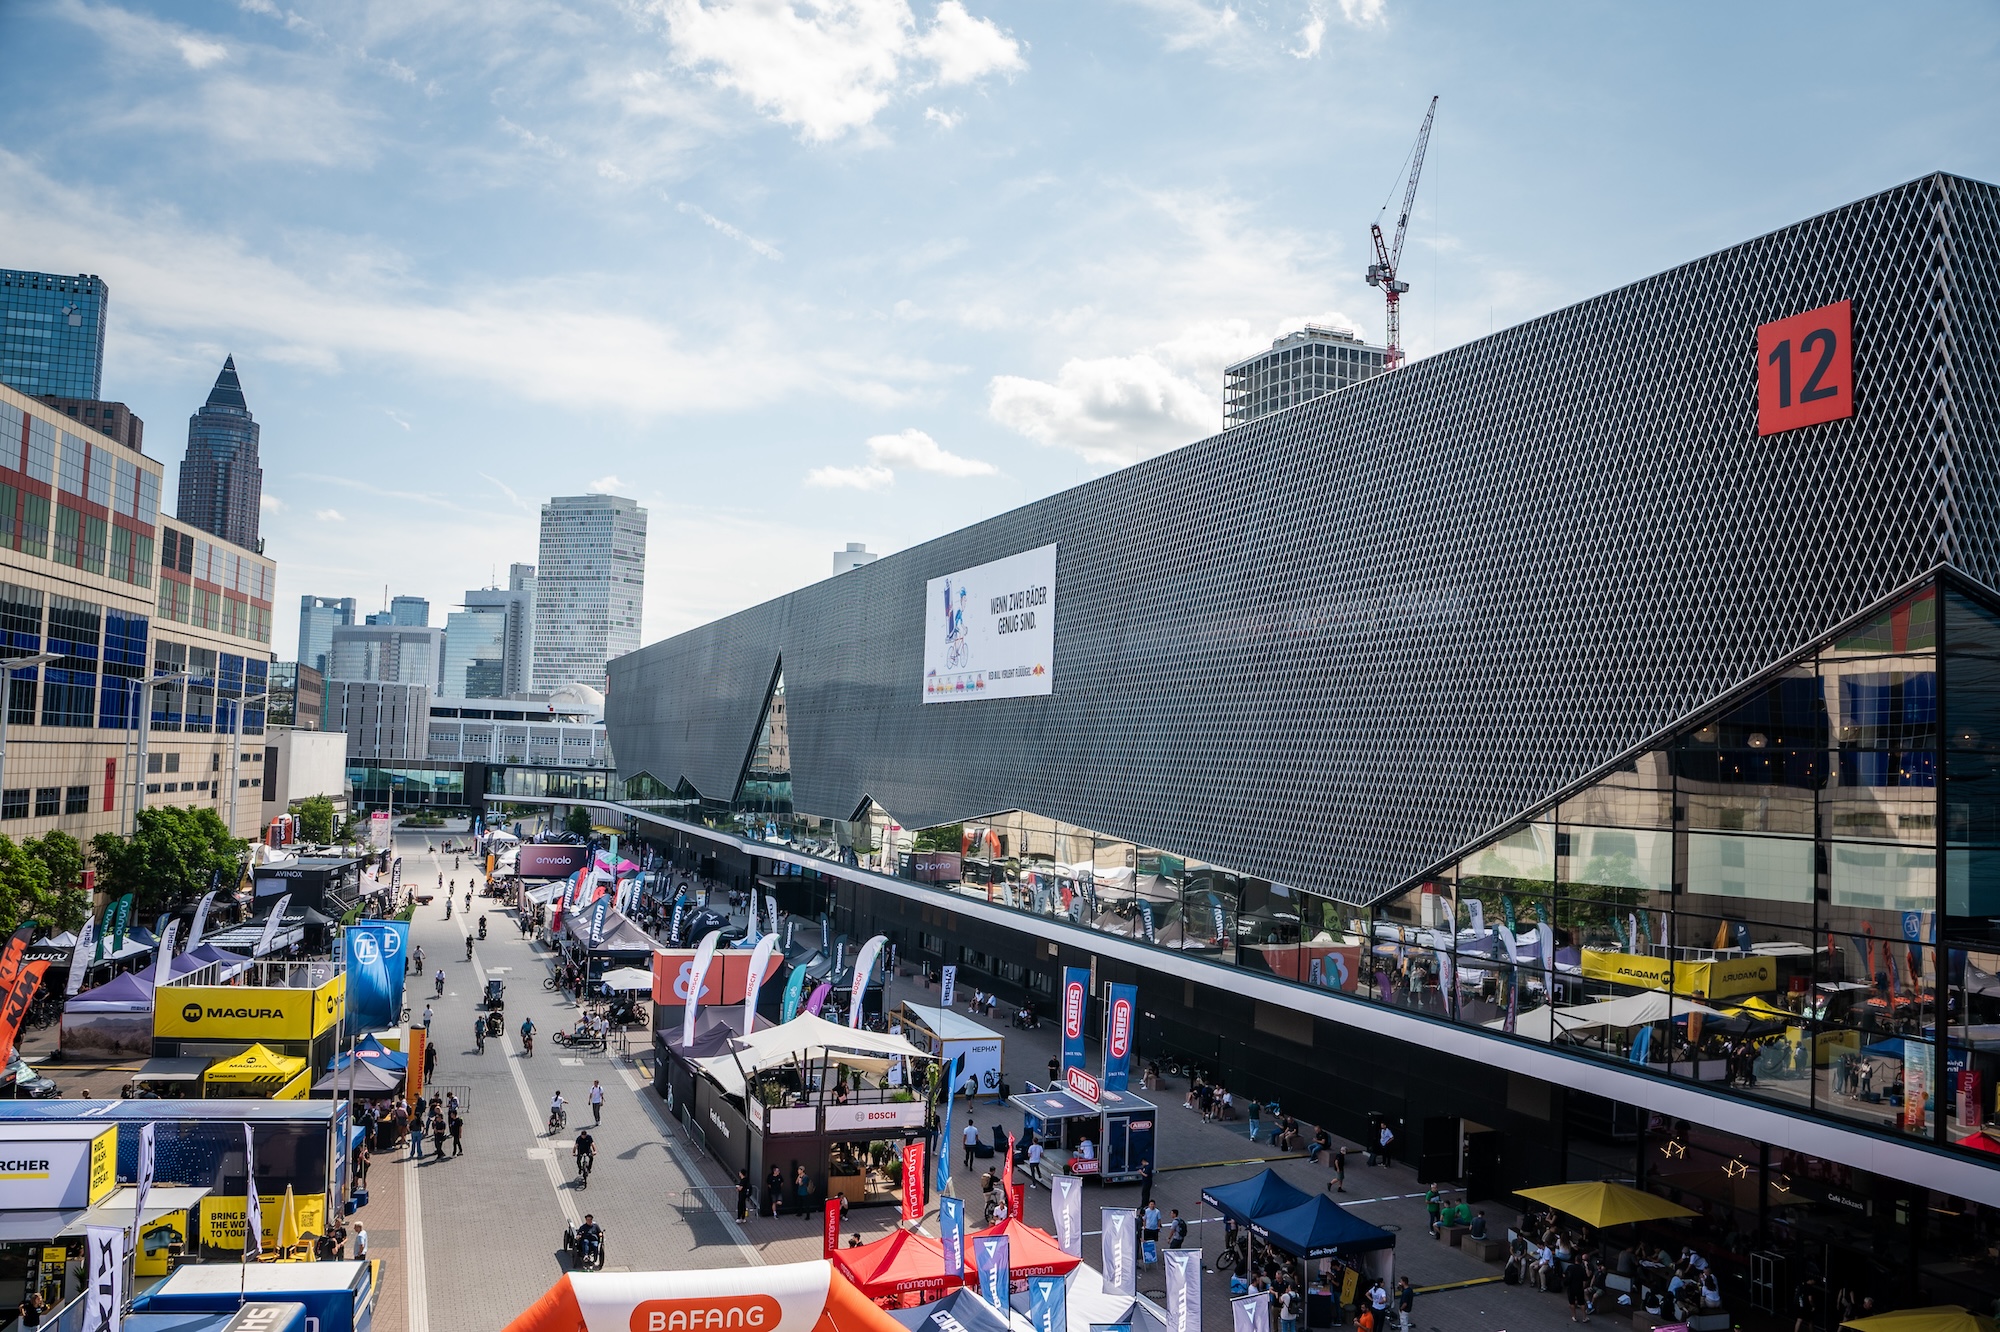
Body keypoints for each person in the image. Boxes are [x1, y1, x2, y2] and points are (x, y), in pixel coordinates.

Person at [1564, 1253, 1590, 1322]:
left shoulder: (1570, 1267)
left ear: (1575, 1260)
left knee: (1572, 1303)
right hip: (1579, 1288)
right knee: (1581, 1303)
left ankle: (1574, 1316)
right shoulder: (1582, 1269)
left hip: (1571, 1287)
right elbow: (1585, 1279)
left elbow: (1565, 1275)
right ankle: (1584, 1317)